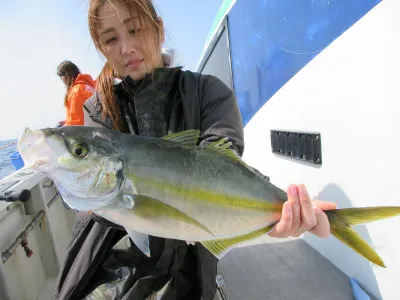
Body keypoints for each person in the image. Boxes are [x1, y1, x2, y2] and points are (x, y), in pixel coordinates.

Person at [54, 1, 337, 299]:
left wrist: (278, 215)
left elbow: (219, 164)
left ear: (159, 29)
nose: (126, 47)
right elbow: (103, 203)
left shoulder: (208, 92)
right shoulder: (97, 108)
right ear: (102, 48)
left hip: (190, 265)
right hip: (113, 263)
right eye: (111, 39)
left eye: (135, 29)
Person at [56, 60, 96, 126]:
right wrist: (66, 122)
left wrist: (65, 127)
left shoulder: (77, 90)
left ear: (66, 75)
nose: (62, 81)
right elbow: (83, 116)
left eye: (61, 78)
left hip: (85, 133)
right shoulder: (86, 85)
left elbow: (77, 122)